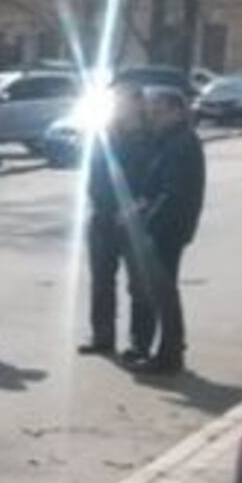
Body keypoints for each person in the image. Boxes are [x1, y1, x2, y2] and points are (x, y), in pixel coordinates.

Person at [124, 88, 205, 375]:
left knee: (163, 293)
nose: (152, 117)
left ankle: (170, 354)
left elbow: (173, 194)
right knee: (157, 291)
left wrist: (146, 223)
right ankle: (164, 350)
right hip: (164, 226)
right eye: (150, 112)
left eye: (158, 112)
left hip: (167, 230)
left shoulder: (181, 144)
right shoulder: (168, 140)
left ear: (177, 111)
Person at [79, 84, 151, 358]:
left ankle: (139, 343)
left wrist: (137, 208)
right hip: (103, 216)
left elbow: (153, 180)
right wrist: (98, 202)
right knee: (101, 280)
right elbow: (93, 172)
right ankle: (102, 336)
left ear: (137, 103)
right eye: (116, 102)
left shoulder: (151, 136)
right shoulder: (105, 133)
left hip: (137, 221)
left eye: (124, 101)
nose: (119, 106)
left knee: (140, 285)